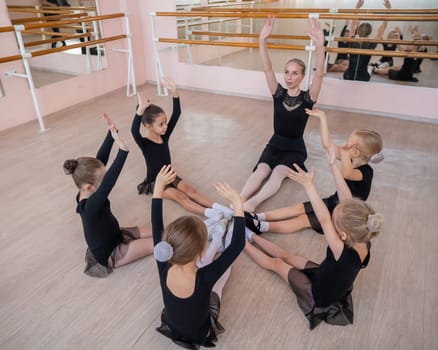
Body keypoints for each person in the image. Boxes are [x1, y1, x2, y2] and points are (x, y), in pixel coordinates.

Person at [244, 150, 384, 329]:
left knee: (278, 263)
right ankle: (252, 235)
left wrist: (309, 186)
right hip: (327, 275)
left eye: (336, 224)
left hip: (319, 293)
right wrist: (333, 166)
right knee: (285, 254)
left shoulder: (341, 250)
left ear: (342, 236)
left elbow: (324, 218)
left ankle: (241, 241)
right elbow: (346, 198)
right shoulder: (363, 238)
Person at [245, 108, 383, 236]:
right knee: (298, 207)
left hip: (345, 214)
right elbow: (327, 144)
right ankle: (256, 217)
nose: (344, 146)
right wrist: (322, 118)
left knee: (302, 219)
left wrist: (344, 154)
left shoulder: (365, 172)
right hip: (334, 201)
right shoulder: (351, 159)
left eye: (348, 143)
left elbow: (346, 173)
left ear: (356, 152)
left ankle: (260, 227)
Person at [151, 165, 246, 348]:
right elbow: (237, 245)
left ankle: (217, 239)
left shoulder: (163, 262)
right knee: (226, 271)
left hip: (173, 326)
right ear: (201, 251)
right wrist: (237, 204)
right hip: (199, 332)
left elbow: (156, 226)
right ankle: (218, 239)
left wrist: (158, 188)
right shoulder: (204, 277)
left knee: (215, 269)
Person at [240, 16, 325, 212]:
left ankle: (254, 202)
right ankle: (240, 197)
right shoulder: (277, 94)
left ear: (303, 76)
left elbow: (319, 74)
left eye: (295, 73)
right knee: (262, 170)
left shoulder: (308, 97)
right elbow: (267, 68)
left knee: (278, 172)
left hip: (295, 148)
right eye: (287, 72)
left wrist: (320, 45)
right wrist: (262, 41)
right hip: (275, 142)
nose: (289, 77)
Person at [63, 114, 154, 277]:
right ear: (90, 187)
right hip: (111, 252)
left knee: (160, 230)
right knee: (158, 243)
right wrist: (123, 151)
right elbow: (108, 183)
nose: (104, 180)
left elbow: (99, 163)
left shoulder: (86, 190)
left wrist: (111, 136)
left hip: (116, 234)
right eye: (101, 180)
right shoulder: (89, 207)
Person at [131, 79, 231, 219]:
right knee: (180, 196)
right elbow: (134, 131)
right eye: (161, 124)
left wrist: (175, 93)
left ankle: (220, 208)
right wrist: (140, 111)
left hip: (171, 175)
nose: (166, 126)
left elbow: (176, 114)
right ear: (148, 126)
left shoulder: (164, 136)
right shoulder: (145, 143)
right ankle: (211, 214)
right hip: (157, 181)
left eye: (165, 122)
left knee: (191, 191)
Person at [343, 0, 391, 82]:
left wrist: (357, 8)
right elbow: (382, 29)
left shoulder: (352, 40)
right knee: (369, 68)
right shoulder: (371, 44)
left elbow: (352, 25)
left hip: (348, 75)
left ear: (357, 31)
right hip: (363, 77)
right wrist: (388, 10)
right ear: (370, 32)